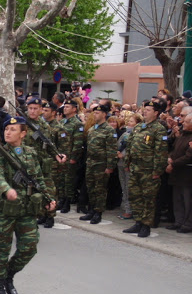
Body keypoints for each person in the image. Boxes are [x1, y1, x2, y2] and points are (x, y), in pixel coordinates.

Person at [0, 117, 56, 294]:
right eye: (6, 129)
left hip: (27, 209)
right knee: (2, 250)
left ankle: (9, 275)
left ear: (23, 133)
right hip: (4, 210)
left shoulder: (30, 153)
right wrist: (6, 189)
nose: (7, 132)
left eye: (13, 129)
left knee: (29, 247)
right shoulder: (0, 154)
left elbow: (39, 179)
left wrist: (48, 198)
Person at [122, 100, 169, 237]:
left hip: (148, 170)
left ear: (156, 113)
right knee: (135, 196)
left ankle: (146, 225)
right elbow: (130, 146)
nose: (145, 112)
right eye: (144, 109)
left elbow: (161, 152)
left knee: (148, 198)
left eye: (148, 110)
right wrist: (127, 163)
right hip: (135, 167)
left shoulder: (159, 129)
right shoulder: (139, 127)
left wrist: (157, 171)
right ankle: (138, 222)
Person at [22, 98, 66, 228]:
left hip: (42, 162)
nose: (32, 111)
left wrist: (57, 155)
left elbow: (50, 144)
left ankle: (50, 216)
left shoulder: (44, 126)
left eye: (36, 108)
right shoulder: (22, 124)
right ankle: (39, 214)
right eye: (30, 108)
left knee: (48, 189)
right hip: (26, 162)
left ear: (41, 110)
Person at [79, 103, 117, 224]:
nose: (95, 115)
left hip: (102, 164)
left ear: (104, 114)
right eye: (94, 112)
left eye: (98, 113)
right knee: (90, 188)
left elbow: (111, 149)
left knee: (100, 189)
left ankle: (98, 212)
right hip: (91, 163)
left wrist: (110, 166)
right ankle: (91, 210)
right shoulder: (92, 129)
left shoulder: (109, 130)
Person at [165, 114, 192, 232]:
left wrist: (173, 163)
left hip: (187, 174)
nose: (183, 123)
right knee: (177, 199)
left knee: (188, 201)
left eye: (186, 122)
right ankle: (178, 221)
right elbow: (174, 149)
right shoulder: (182, 135)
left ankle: (188, 224)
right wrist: (170, 158)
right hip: (177, 174)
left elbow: (188, 156)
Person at [58, 99, 85, 213]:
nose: (65, 108)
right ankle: (62, 199)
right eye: (65, 107)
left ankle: (67, 202)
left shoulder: (77, 123)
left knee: (69, 180)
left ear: (74, 109)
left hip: (70, 156)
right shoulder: (63, 122)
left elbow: (78, 142)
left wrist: (74, 157)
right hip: (60, 155)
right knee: (61, 180)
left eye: (68, 107)